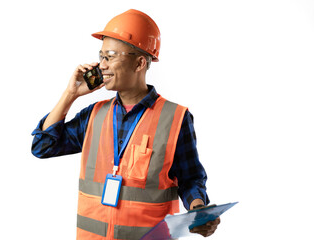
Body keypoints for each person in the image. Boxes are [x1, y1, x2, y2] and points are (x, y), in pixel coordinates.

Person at [31, 9, 220, 240]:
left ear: (140, 63)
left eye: (109, 56)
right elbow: (42, 147)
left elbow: (191, 179)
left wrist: (198, 210)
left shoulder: (175, 118)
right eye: (100, 56)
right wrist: (70, 94)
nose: (101, 65)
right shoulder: (94, 116)